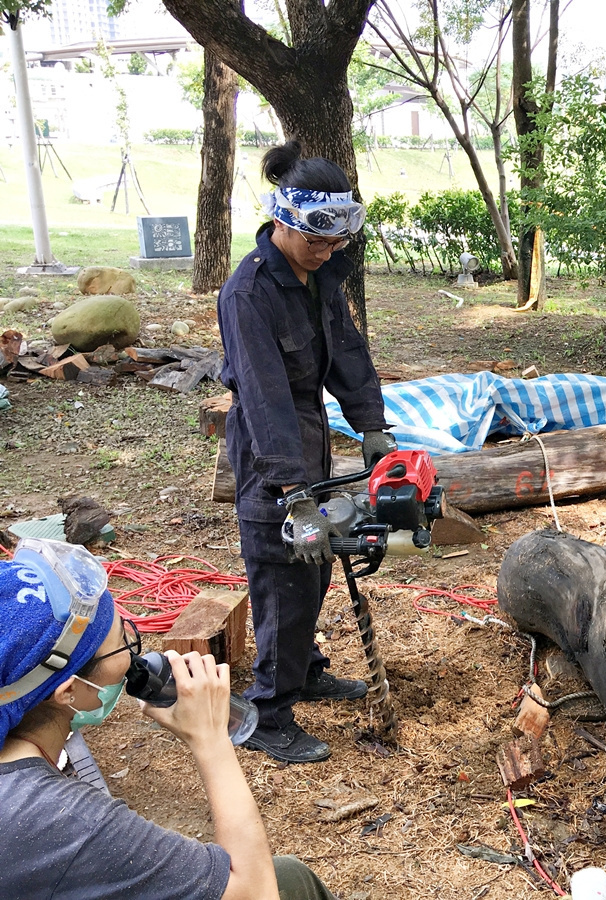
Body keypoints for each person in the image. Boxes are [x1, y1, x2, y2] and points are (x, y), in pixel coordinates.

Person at [0, 537, 336, 899]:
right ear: (67, 691)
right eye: (121, 643)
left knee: (290, 874)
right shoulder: (65, 820)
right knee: (289, 881)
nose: (133, 645)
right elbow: (256, 893)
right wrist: (210, 740)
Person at [218, 141, 396, 763]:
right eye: (316, 242)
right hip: (271, 446)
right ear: (283, 221)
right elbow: (264, 397)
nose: (326, 254)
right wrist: (290, 490)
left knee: (316, 562)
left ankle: (307, 666)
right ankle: (268, 712)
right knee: (282, 572)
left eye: (335, 245)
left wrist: (372, 427)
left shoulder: (320, 276)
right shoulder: (249, 293)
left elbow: (346, 352)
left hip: (311, 431)